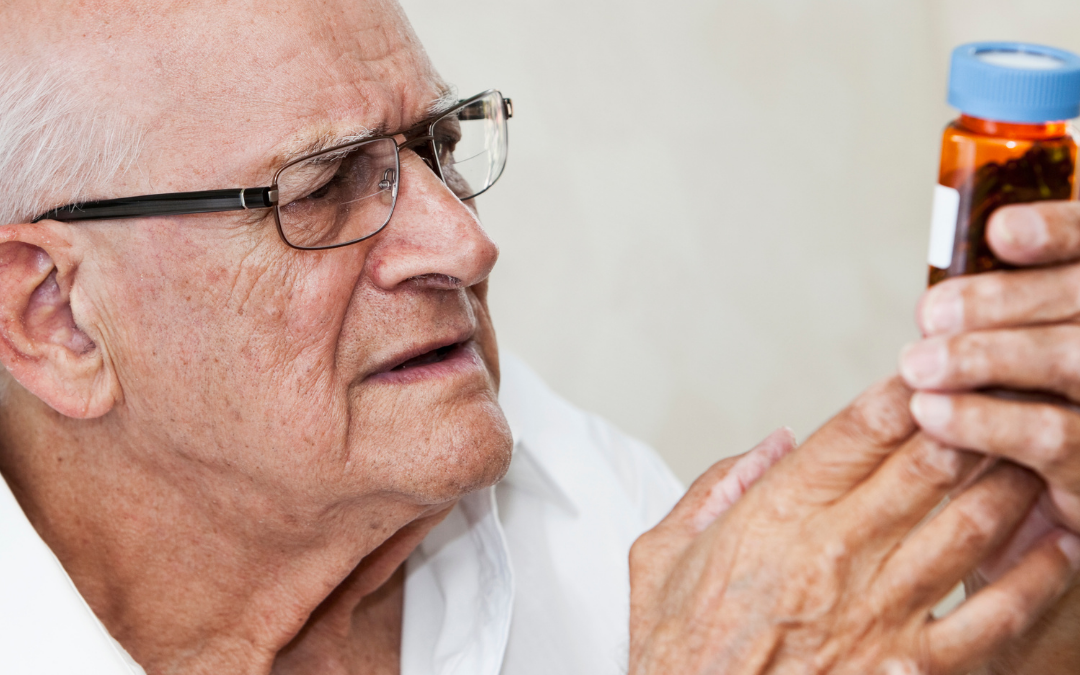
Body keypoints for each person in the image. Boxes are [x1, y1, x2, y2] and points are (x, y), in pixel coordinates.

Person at [0, 1, 1078, 673]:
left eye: (438, 146)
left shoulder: (586, 504)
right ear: (53, 317)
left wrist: (1039, 601)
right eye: (323, 189)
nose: (466, 244)